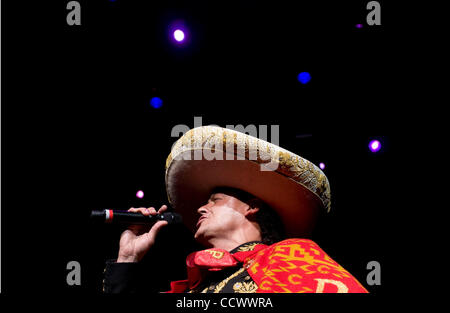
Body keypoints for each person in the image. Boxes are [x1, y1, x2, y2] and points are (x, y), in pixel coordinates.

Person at [103, 126, 368, 293]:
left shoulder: (291, 257)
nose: (200, 208)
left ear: (252, 207)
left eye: (214, 199)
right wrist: (128, 260)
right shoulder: (192, 290)